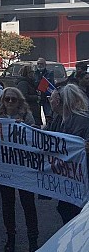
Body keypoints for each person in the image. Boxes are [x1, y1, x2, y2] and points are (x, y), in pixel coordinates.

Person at [0, 87, 39, 252]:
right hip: (5, 167)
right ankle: (10, 237)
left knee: (28, 204)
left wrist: (26, 128)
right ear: (3, 101)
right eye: (7, 99)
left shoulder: (27, 115)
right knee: (7, 204)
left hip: (23, 166)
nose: (10, 102)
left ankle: (32, 239)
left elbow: (35, 136)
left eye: (14, 99)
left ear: (20, 101)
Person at [53, 84, 89, 224]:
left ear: (59, 102)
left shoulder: (82, 121)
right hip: (67, 176)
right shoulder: (58, 120)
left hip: (79, 177)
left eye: (53, 98)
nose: (50, 100)